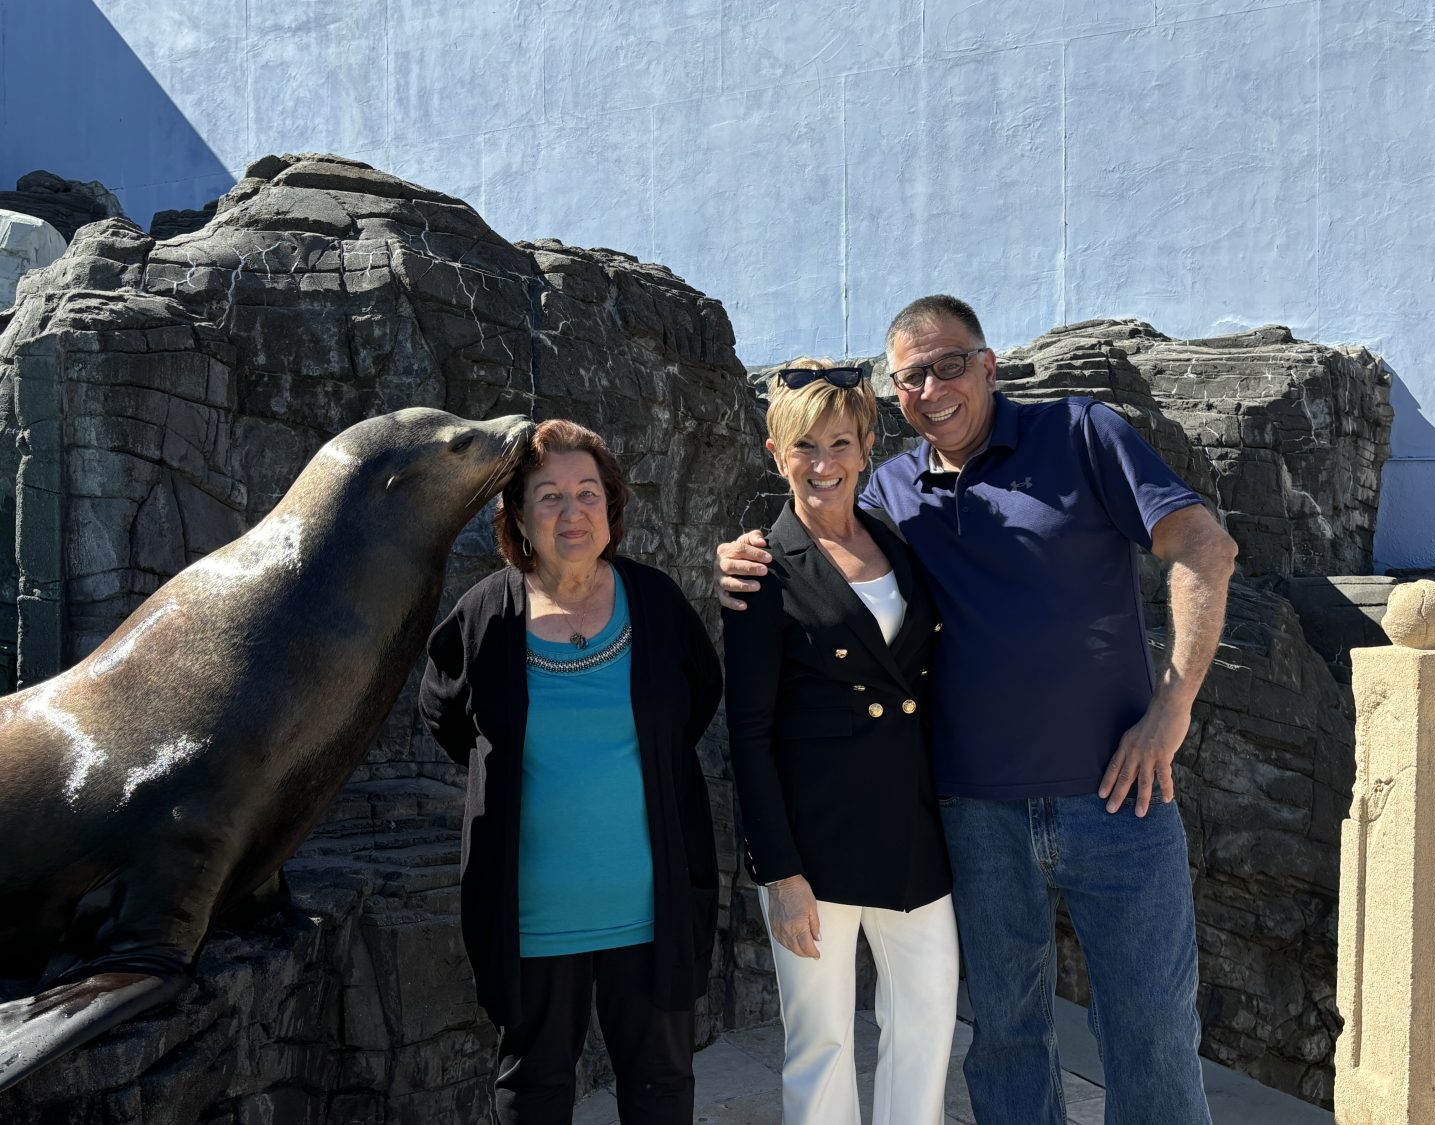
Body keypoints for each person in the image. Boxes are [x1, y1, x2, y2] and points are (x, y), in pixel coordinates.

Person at [718, 296, 1239, 1125]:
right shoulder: (888, 491)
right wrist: (746, 550)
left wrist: (1172, 708)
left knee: (1152, 1034)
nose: (932, 387)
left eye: (949, 363)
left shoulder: (1080, 433)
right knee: (1005, 1036)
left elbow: (1205, 546)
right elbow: (822, 540)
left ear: (988, 364)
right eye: (911, 375)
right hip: (973, 813)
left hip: (1119, 798)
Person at [420, 419, 723, 1125]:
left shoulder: (657, 605)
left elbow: (693, 702)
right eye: (549, 495)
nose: (572, 510)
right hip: (534, 916)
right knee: (533, 1092)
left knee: (660, 1089)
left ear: (610, 506)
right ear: (518, 515)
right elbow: (448, 718)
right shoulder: (483, 618)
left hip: (650, 912)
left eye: (588, 492)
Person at [721, 359, 959, 1125]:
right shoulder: (760, 566)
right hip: (813, 848)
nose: (822, 465)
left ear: (866, 447)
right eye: (803, 448)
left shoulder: (900, 540)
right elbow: (749, 734)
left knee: (925, 1025)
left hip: (911, 829)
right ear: (775, 452)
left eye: (839, 444)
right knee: (820, 1041)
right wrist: (777, 871)